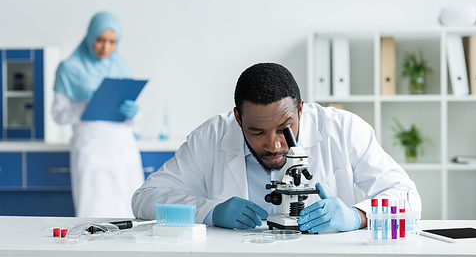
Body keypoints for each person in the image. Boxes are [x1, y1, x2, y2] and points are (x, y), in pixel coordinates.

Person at [132, 63, 421, 232]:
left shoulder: (342, 129)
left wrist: (357, 216)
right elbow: (145, 199)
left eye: (285, 128)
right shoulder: (211, 136)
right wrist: (210, 212)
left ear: (301, 110)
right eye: (256, 131)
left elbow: (408, 198)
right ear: (238, 118)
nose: (273, 144)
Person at [52, 12, 144, 218]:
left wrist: (134, 114)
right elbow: (58, 115)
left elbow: (129, 111)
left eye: (112, 42)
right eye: (100, 40)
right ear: (90, 36)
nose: (106, 47)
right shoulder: (69, 68)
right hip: (91, 149)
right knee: (94, 212)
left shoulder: (121, 66)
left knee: (131, 210)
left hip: (123, 148)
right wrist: (86, 106)